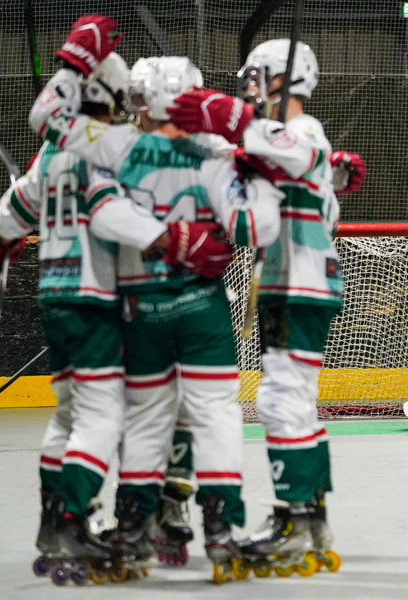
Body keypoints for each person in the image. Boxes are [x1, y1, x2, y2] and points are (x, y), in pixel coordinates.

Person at [27, 25, 285, 583]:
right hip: (201, 307)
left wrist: (72, 66)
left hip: (141, 310)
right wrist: (253, 146)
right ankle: (219, 530)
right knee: (215, 414)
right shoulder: (216, 153)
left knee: (144, 419)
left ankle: (130, 531)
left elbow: (50, 126)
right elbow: (257, 227)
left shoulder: (116, 145)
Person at [0, 45, 231, 585]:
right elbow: (112, 209)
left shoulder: (56, 147)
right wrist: (173, 237)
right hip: (102, 296)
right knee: (116, 416)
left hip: (57, 292)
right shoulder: (108, 148)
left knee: (71, 416)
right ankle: (83, 520)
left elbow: (18, 207)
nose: (132, 109)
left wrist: (2, 235)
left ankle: (59, 520)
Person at [166, 38, 365, 576]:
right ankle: (311, 519)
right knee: (295, 403)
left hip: (301, 283)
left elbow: (297, 152)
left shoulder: (303, 131)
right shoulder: (281, 140)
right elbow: (269, 164)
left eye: (258, 76)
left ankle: (294, 521)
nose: (250, 89)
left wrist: (238, 124)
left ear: (284, 78)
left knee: (281, 402)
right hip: (290, 282)